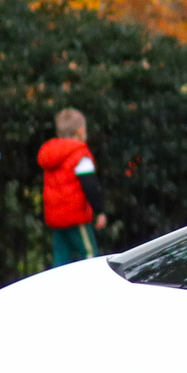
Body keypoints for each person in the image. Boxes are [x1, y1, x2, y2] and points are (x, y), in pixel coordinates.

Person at [39, 108, 110, 267]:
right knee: (89, 254)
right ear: (81, 132)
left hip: (56, 218)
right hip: (76, 217)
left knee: (60, 259)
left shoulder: (51, 155)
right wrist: (99, 212)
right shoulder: (80, 156)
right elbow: (90, 186)